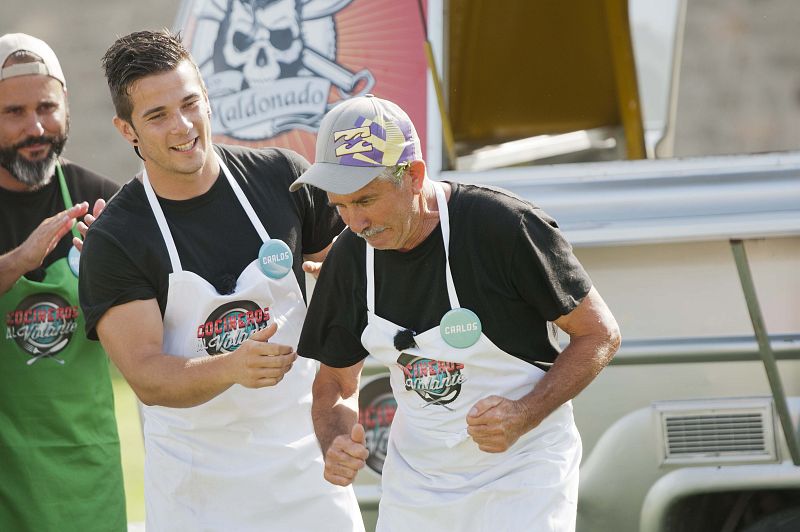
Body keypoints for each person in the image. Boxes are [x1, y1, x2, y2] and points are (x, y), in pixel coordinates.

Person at [290, 94, 622, 531]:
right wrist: (335, 439)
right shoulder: (351, 257)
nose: (355, 223)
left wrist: (524, 413)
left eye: (366, 200)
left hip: (523, 469)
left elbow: (599, 333)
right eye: (340, 206)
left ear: (413, 175)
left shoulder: (503, 226)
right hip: (418, 486)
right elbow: (334, 380)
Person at [78, 30, 363, 532]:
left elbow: (355, 278)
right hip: (198, 494)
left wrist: (341, 406)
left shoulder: (282, 178)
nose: (183, 126)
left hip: (308, 475)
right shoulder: (118, 237)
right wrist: (231, 366)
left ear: (208, 99)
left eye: (190, 103)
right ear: (127, 131)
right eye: (157, 115)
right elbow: (145, 375)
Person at [0, 33, 125, 531]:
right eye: (14, 112)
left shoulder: (106, 203)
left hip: (84, 467)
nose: (35, 128)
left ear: (66, 106)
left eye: (47, 107)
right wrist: (19, 260)